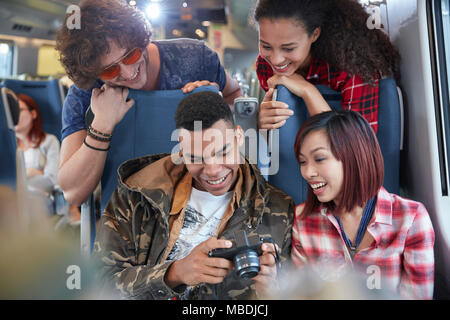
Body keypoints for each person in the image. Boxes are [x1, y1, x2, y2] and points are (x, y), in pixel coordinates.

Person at [93, 91, 294, 299]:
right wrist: (174, 273)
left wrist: (271, 291)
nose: (213, 170)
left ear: (239, 136)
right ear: (181, 148)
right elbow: (99, 285)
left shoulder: (277, 209)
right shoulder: (137, 194)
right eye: (196, 158)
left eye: (223, 152)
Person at [55, 0, 242, 206]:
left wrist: (213, 102)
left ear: (141, 38)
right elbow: (73, 193)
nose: (128, 73)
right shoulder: (86, 94)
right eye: (110, 70)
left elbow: (235, 96)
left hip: (203, 204)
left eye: (131, 55)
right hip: (128, 216)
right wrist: (102, 124)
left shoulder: (197, 59)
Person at [291, 110, 435, 299]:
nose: (308, 172)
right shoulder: (303, 220)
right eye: (302, 162)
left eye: (319, 159)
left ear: (354, 155)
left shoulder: (411, 218)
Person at [253, 0, 400, 133]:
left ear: (314, 34)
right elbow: (281, 136)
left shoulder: (351, 68)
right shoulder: (265, 66)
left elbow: (357, 145)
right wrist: (262, 122)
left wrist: (308, 91)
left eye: (289, 48)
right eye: (266, 46)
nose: (276, 60)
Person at [15, 94, 80, 222]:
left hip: (38, 198)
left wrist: (22, 178)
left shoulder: (48, 141)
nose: (14, 115)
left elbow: (52, 178)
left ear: (33, 114)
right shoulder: (7, 145)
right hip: (12, 198)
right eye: (12, 111)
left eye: (19, 110)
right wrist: (33, 172)